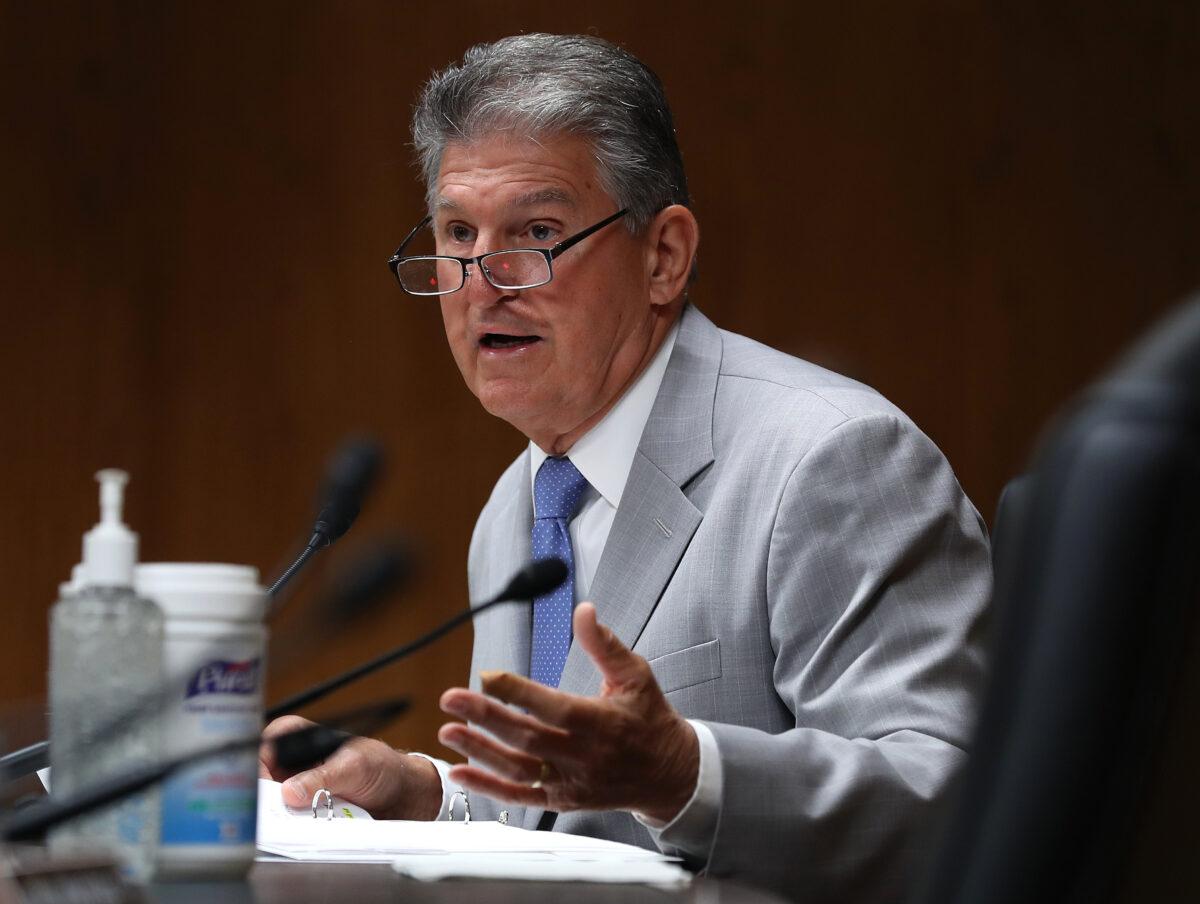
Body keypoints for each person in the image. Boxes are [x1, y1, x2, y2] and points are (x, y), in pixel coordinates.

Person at [260, 33, 991, 903]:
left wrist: (685, 772)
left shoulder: (830, 457)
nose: (481, 282)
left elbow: (952, 798)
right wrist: (423, 794)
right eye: (458, 233)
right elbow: (557, 828)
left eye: (536, 232)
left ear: (664, 257)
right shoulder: (521, 504)